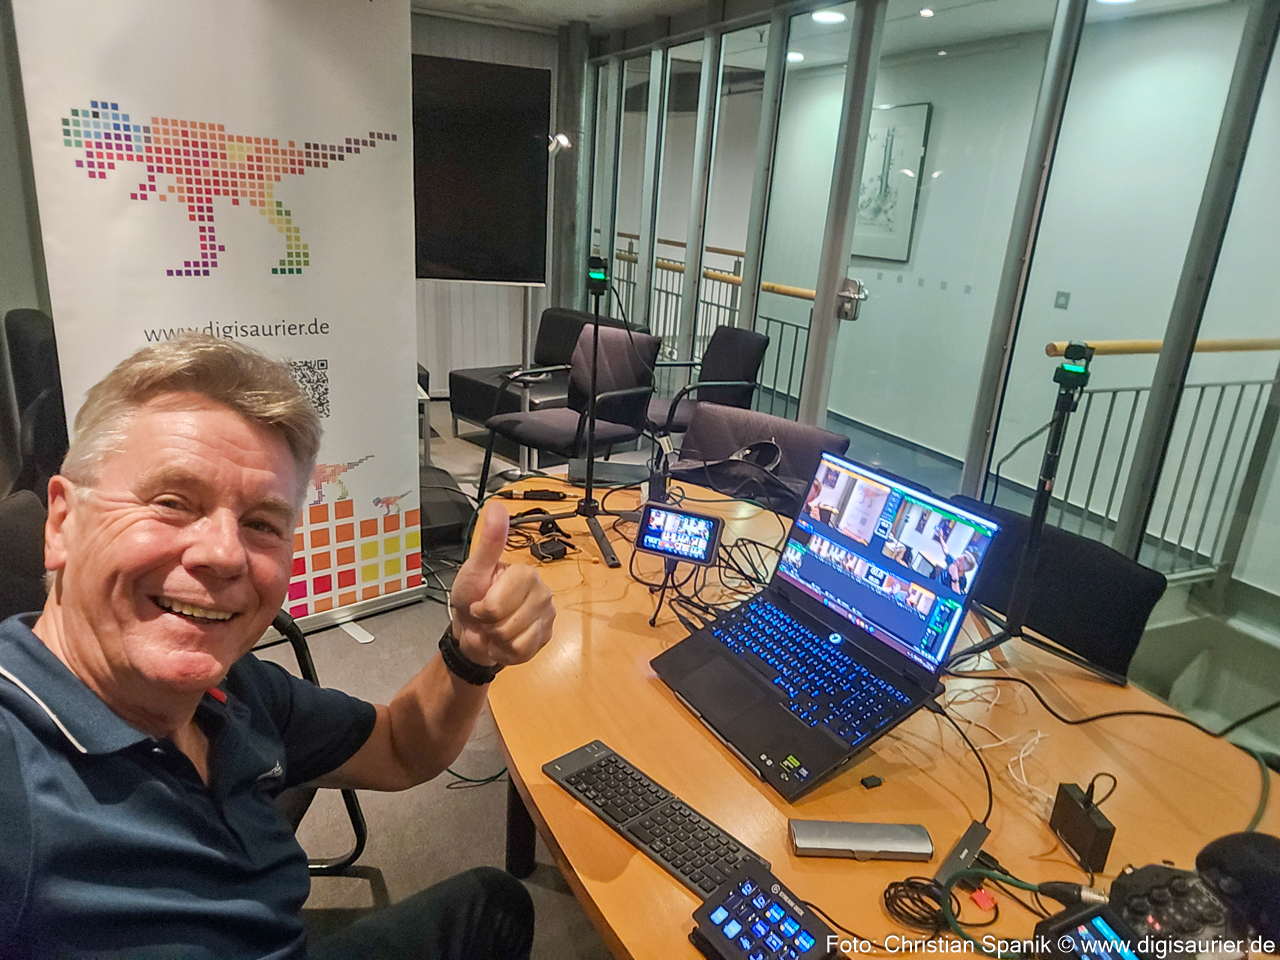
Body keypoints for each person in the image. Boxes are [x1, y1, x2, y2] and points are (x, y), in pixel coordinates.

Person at [0, 335, 557, 959]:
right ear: (62, 523)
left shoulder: (233, 689)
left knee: (496, 905)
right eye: (172, 503)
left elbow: (400, 746)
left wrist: (471, 652)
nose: (224, 553)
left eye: (262, 523)